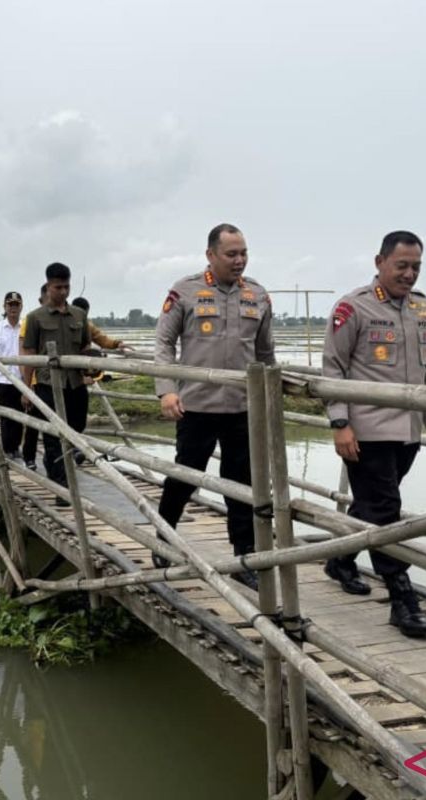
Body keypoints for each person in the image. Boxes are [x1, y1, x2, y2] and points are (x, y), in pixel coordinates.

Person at [321, 230, 426, 638]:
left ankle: (340, 559)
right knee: (387, 509)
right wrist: (340, 424)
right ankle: (401, 598)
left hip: (408, 431)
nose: (409, 274)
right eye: (401, 266)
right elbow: (333, 370)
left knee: (372, 506)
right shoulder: (352, 308)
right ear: (379, 263)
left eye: (415, 267)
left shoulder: (424, 309)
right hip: (367, 431)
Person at [153, 223, 275, 590]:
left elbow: (266, 353)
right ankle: (163, 536)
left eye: (243, 253)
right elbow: (163, 343)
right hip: (196, 407)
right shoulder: (185, 291)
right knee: (185, 476)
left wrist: (269, 399)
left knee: (242, 484)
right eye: (231, 254)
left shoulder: (258, 295)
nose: (239, 261)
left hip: (242, 408)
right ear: (211, 255)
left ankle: (244, 556)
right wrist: (166, 391)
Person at [21, 263, 91, 494]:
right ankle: (61, 486)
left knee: (76, 430)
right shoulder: (35, 318)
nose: (63, 292)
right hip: (47, 385)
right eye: (58, 287)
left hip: (76, 384)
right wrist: (26, 389)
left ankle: (61, 470)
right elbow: (29, 354)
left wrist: (89, 368)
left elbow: (85, 346)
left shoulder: (79, 315)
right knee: (53, 437)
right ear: (48, 287)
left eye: (66, 287)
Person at [0, 291, 25, 458]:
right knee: (5, 415)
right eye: (10, 305)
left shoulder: (25, 327)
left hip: (20, 378)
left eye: (16, 305)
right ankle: (7, 448)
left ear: (21, 306)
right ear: (4, 306)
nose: (13, 308)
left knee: (19, 415)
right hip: (1, 378)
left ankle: (16, 446)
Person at [18, 284, 48, 469]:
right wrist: (27, 386)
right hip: (37, 380)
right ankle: (29, 457)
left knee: (54, 423)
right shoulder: (32, 320)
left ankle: (52, 459)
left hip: (55, 381)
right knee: (33, 424)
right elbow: (25, 354)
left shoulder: (60, 320)